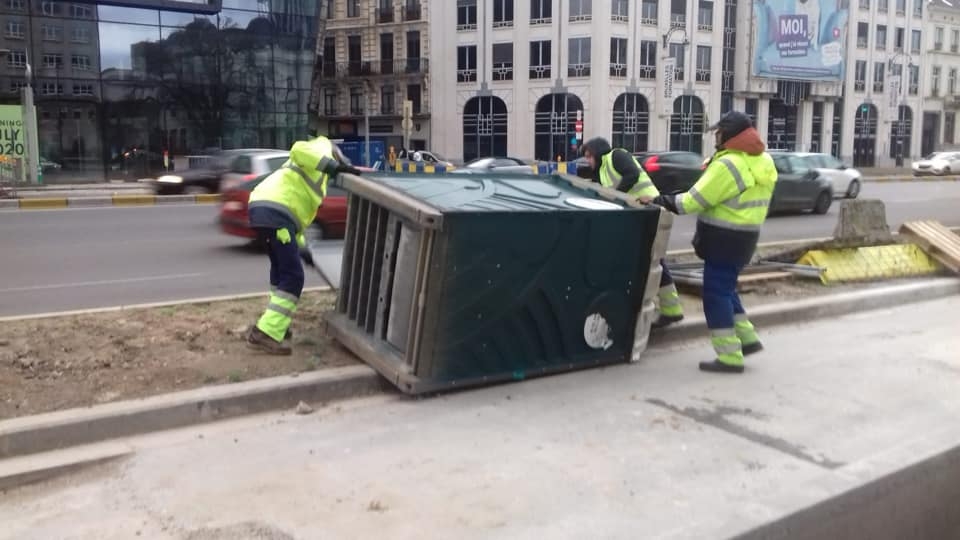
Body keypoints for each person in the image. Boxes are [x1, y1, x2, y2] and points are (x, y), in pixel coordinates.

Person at [639, 111, 777, 373]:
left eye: (719, 132)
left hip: (724, 239)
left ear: (730, 135)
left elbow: (693, 201)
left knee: (715, 295)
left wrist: (658, 201)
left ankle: (729, 357)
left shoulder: (728, 165)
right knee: (727, 290)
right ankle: (747, 339)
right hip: (745, 237)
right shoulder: (763, 161)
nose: (716, 136)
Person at [245, 136, 358, 355]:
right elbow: (297, 148)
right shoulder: (321, 147)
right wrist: (334, 167)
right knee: (294, 276)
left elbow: (296, 213)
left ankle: (277, 324)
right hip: (276, 211)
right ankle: (265, 332)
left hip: (267, 209)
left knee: (280, 272)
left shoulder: (312, 174)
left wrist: (302, 247)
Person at [580, 137, 684, 328]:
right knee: (650, 260)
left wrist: (617, 198)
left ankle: (672, 310)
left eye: (589, 156)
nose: (588, 161)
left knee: (652, 260)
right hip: (638, 214)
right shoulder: (601, 171)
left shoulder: (616, 156)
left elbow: (632, 174)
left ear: (597, 152)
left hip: (650, 208)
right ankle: (670, 309)